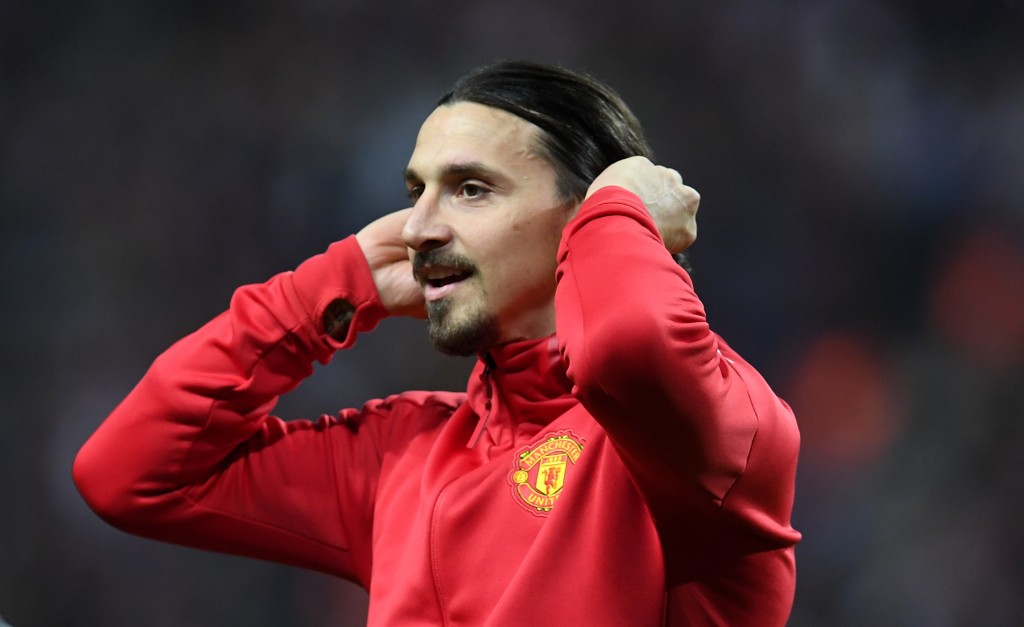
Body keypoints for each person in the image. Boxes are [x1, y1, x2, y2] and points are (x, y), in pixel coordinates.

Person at [74, 61, 801, 626]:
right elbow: (131, 474)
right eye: (416, 189)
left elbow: (628, 350)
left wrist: (619, 216)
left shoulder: (716, 435)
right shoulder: (406, 454)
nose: (418, 226)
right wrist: (328, 288)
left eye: (471, 189)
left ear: (583, 219)